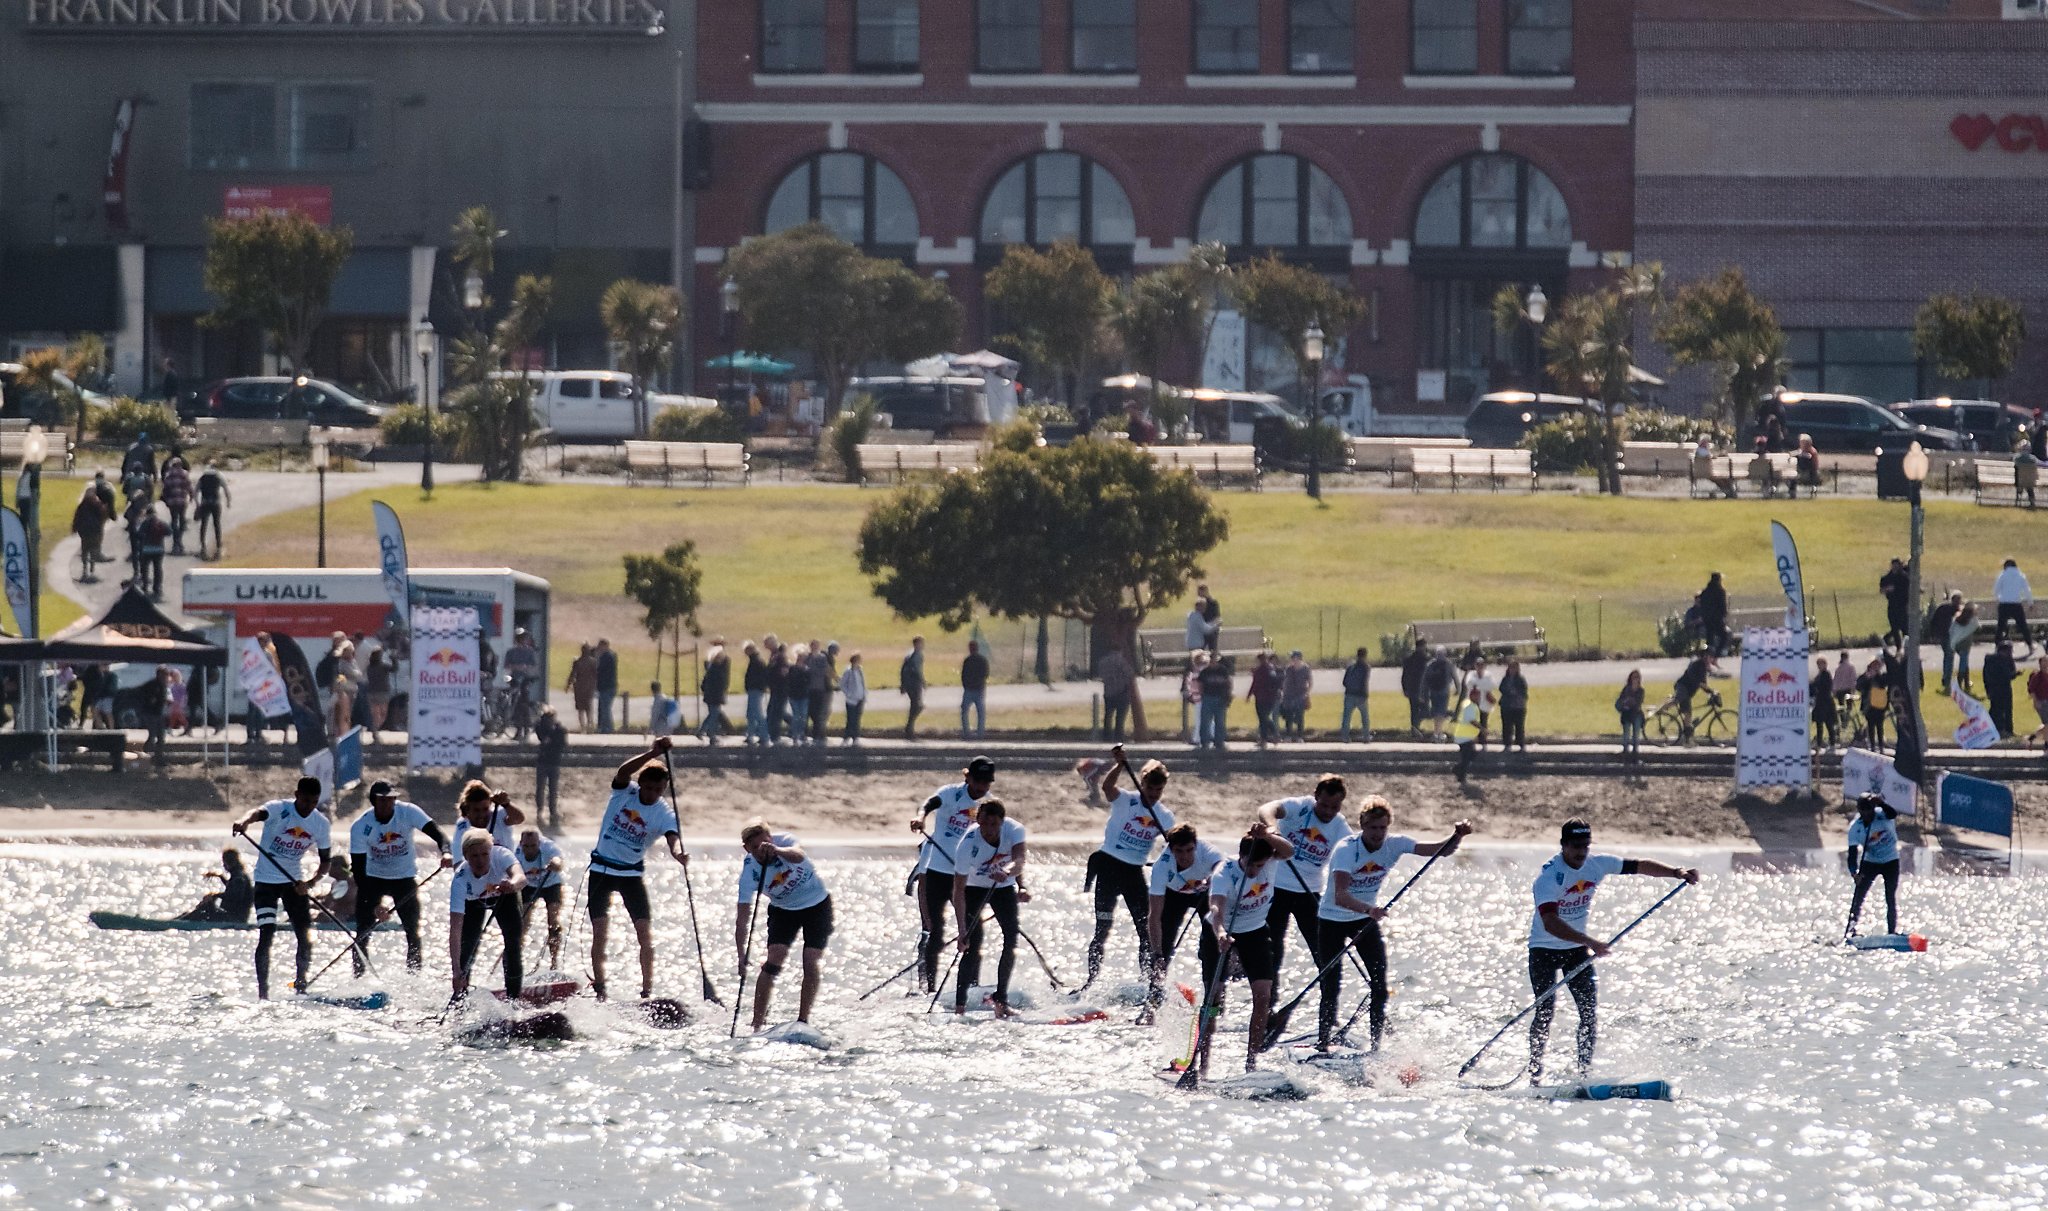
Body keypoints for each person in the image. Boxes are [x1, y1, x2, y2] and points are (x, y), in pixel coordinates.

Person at [1526, 819, 1699, 1085]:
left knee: (1588, 1013)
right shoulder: (1549, 878)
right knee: (1545, 1012)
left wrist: (1677, 872)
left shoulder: (1598, 864)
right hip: (1543, 950)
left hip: (1576, 951)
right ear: (1563, 845)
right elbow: (1550, 923)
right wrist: (1590, 941)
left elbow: (1639, 866)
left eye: (1585, 846)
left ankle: (1583, 1075)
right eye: (1575, 846)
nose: (1581, 852)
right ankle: (1534, 1076)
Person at [1315, 800, 1470, 1051]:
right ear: (1362, 825)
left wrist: (1458, 836)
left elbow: (1440, 850)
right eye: (1373, 828)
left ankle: (1375, 1046)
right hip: (1332, 919)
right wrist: (1369, 910)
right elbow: (1340, 896)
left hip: (1363, 920)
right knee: (1331, 985)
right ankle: (1323, 1043)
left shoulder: (1395, 844)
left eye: (1382, 828)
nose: (1378, 834)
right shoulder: (1346, 850)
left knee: (1380, 985)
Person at [589, 739, 689, 1002]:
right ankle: (600, 989)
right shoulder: (624, 792)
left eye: (659, 790)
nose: (653, 794)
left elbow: (673, 838)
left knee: (644, 933)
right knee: (600, 933)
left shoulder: (664, 813)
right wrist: (653, 753)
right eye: (649, 788)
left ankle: (646, 993)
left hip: (631, 876)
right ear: (641, 784)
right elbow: (623, 771)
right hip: (601, 870)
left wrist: (678, 854)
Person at [1198, 821, 1294, 1076]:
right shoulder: (1225, 872)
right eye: (1250, 865)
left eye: (1259, 866)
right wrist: (1220, 933)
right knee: (1213, 998)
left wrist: (1267, 835)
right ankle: (1202, 1064)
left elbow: (1289, 851)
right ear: (1241, 856)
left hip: (1255, 932)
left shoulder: (1271, 861)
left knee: (1263, 996)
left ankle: (1251, 1064)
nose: (1254, 871)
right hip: (1220, 933)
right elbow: (1216, 907)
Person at [232, 776, 333, 1000]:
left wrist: (310, 883)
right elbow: (256, 813)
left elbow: (326, 862)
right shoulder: (280, 809)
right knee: (267, 934)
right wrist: (243, 822)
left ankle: (301, 986)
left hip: (293, 884)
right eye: (305, 801)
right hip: (266, 882)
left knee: (305, 935)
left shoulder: (321, 824)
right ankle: (263, 994)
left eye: (314, 802)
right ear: (297, 795)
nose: (309, 807)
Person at [1084, 750, 1177, 991]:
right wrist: (1119, 765)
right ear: (1142, 784)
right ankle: (1090, 982)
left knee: (1146, 931)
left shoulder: (1165, 817)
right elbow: (1107, 788)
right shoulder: (1126, 799)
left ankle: (1146, 981)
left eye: (1158, 790)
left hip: (1133, 873)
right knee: (1102, 928)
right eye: (1150, 789)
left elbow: (1173, 848)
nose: (1153, 795)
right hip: (1108, 866)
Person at [736, 821, 834, 1031]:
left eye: (764, 843)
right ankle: (757, 1024)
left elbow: (798, 856)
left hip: (817, 905)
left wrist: (776, 850)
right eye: (755, 848)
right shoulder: (749, 872)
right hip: (783, 911)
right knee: (774, 958)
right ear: (747, 849)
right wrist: (741, 955)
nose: (761, 850)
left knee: (810, 960)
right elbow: (742, 918)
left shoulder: (785, 842)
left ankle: (802, 1020)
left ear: (771, 838)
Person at [910, 756, 996, 993]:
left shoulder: (989, 805)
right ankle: (927, 987)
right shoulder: (950, 794)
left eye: (986, 782)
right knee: (934, 931)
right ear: (967, 777)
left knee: (974, 933)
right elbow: (929, 804)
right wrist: (920, 818)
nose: (981, 787)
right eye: (978, 781)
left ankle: (971, 988)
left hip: (966, 877)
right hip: (938, 872)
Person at [349, 780, 452, 975]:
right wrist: (374, 906)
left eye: (391, 799)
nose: (388, 804)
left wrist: (446, 852)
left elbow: (438, 833)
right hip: (372, 880)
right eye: (383, 800)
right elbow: (358, 870)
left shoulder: (408, 812)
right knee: (362, 932)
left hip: (404, 878)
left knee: (413, 931)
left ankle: (413, 975)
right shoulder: (361, 826)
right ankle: (359, 977)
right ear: (374, 801)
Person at [1257, 774, 1352, 978]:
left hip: (1309, 892)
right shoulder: (1300, 806)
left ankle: (1329, 996)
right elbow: (1266, 809)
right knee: (1274, 949)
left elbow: (1354, 859)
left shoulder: (1341, 828)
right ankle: (1269, 996)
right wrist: (1272, 829)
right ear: (1316, 796)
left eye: (1334, 807)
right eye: (1324, 805)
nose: (1328, 812)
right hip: (1277, 887)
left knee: (1324, 951)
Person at [950, 798, 1029, 1018]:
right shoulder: (966, 845)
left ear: (1002, 822)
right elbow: (958, 890)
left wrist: (1008, 873)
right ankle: (959, 1008)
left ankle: (1001, 1000)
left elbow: (1020, 859)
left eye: (994, 824)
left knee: (1011, 938)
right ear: (978, 821)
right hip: (974, 888)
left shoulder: (1014, 830)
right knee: (971, 944)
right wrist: (961, 930)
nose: (989, 829)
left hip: (1002, 886)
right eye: (984, 824)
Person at [1143, 823, 1223, 1021]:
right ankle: (1151, 1007)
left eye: (1189, 850)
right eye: (1179, 851)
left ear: (1195, 845)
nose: (1185, 857)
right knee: (1162, 951)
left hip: (1205, 895)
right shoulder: (1161, 867)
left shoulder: (1207, 852)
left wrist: (1216, 877)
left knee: (1211, 949)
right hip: (1175, 895)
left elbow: (1223, 867)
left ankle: (1213, 1009)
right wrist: (1157, 954)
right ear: (1171, 849)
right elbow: (1154, 916)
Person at [448, 830, 527, 1000]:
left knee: (513, 942)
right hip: (474, 901)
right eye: (474, 856)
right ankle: (460, 997)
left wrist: (512, 884)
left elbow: (521, 877)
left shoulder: (501, 855)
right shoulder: (460, 880)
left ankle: (513, 998)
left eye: (484, 854)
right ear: (466, 857)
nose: (480, 860)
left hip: (505, 894)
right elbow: (455, 930)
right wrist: (456, 971)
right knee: (467, 947)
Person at [1844, 794, 1902, 940]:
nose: (1866, 813)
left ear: (1873, 808)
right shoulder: (1855, 828)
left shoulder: (1883, 814)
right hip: (1870, 862)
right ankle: (1850, 931)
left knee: (1890, 897)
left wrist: (1881, 803)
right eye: (1863, 810)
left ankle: (1892, 932)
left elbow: (1893, 814)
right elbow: (1852, 855)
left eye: (1869, 809)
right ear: (1859, 810)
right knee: (1858, 897)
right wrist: (1854, 873)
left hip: (1890, 861)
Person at [519, 828, 567, 971]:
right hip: (529, 885)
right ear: (521, 844)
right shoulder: (516, 854)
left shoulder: (549, 847)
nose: (529, 850)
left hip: (551, 883)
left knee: (553, 920)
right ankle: (516, 961)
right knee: (523, 923)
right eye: (526, 846)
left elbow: (558, 860)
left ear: (539, 843)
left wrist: (555, 864)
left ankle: (554, 962)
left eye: (533, 846)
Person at [179, 848, 253, 922]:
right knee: (201, 909)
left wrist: (215, 895)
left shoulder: (239, 878)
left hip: (234, 918)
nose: (223, 865)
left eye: (224, 862)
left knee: (204, 908)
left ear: (230, 862)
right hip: (232, 915)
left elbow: (235, 896)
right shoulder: (238, 874)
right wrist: (220, 877)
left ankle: (181, 922)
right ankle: (182, 920)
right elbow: (232, 888)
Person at [533, 704, 567, 827]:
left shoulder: (560, 730)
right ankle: (540, 810)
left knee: (553, 789)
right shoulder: (542, 728)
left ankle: (552, 811)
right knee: (541, 788)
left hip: (553, 761)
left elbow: (562, 744)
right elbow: (540, 733)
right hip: (544, 761)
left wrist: (551, 737)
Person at [1994, 559, 2035, 655]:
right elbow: (2027, 590)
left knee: (2000, 626)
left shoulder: (2002, 575)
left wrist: (1999, 598)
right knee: (2023, 626)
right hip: (2016, 604)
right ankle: (2030, 645)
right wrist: (2030, 603)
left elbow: (1995, 590)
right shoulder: (2020, 575)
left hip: (2004, 604)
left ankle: (1997, 646)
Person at [71, 484, 109, 578]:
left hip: (84, 531)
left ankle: (85, 571)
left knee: (85, 550)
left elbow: (77, 517)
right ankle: (91, 571)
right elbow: (103, 516)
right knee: (92, 551)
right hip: (94, 531)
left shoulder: (82, 505)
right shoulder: (97, 504)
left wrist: (74, 528)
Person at [1098, 645, 1135, 743]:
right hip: (1121, 692)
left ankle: (1107, 737)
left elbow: (1101, 675)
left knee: (1108, 716)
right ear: (1120, 650)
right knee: (1120, 718)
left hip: (1108, 691)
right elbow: (1129, 673)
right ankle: (1119, 736)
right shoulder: (1121, 661)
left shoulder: (1103, 662)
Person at [193, 459, 229, 559]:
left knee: (203, 524)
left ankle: (203, 547)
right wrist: (228, 501)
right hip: (216, 503)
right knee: (216, 524)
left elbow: (196, 491)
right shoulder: (219, 476)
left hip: (204, 502)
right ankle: (218, 548)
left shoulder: (203, 476)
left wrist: (197, 503)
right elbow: (226, 489)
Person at [698, 638, 732, 743]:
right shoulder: (718, 668)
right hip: (715, 694)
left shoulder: (711, 666)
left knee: (713, 713)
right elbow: (722, 681)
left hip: (711, 693)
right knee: (714, 714)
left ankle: (702, 731)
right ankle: (711, 735)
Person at [1195, 652, 1232, 749]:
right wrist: (1202, 695)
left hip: (1220, 698)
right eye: (1212, 660)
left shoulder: (1223, 671)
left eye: (1215, 660)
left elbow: (1229, 683)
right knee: (1205, 721)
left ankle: (1219, 742)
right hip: (1208, 697)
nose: (1213, 662)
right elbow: (1200, 684)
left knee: (1220, 721)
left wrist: (1228, 695)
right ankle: (1205, 742)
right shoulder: (1205, 672)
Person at [159, 451, 192, 556]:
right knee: (182, 520)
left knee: (174, 521)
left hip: (172, 502)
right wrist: (191, 496)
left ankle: (175, 542)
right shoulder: (185, 474)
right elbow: (189, 487)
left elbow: (165, 489)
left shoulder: (168, 475)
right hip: (182, 501)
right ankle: (179, 542)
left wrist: (165, 499)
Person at [1984, 641, 2020, 737]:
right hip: (1996, 688)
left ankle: (2009, 730)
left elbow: (2011, 673)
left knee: (2008, 709)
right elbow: (1991, 676)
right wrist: (1988, 690)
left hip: (2005, 688)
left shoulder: (2008, 660)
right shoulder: (1992, 661)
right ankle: (1997, 729)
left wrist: (2014, 673)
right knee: (1997, 710)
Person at [1856, 654, 1891, 752]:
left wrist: (1877, 675)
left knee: (1880, 726)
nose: (1876, 667)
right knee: (1871, 726)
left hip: (1879, 705)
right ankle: (1872, 746)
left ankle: (1881, 746)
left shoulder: (1881, 676)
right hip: (1869, 706)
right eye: (1874, 665)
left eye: (1877, 665)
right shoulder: (1864, 676)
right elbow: (1858, 686)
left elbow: (1886, 682)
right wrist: (1868, 678)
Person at [1931, 591, 1963, 694]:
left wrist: (1934, 634)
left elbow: (1933, 621)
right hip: (1949, 635)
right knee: (1950, 657)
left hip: (1942, 634)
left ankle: (1946, 678)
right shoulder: (1955, 610)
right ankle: (1948, 680)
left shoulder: (1943, 607)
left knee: (1947, 656)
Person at [1247, 651, 1281, 747]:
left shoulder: (1267, 670)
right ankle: (1264, 739)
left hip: (1267, 697)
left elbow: (1274, 683)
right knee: (1262, 719)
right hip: (1260, 697)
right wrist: (1250, 694)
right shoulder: (1261, 670)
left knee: (1264, 717)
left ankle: (1274, 734)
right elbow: (1255, 684)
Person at [806, 640, 837, 744]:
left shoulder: (822, 657)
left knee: (821, 713)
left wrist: (837, 680)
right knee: (818, 712)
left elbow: (828, 671)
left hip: (822, 688)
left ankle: (819, 734)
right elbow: (828, 671)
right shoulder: (813, 657)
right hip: (817, 689)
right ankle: (819, 734)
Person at [1423, 645, 1455, 741]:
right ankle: (1439, 732)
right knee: (1441, 712)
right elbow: (1454, 677)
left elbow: (1425, 680)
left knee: (1436, 711)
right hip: (1444, 690)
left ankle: (1436, 732)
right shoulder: (1448, 664)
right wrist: (1458, 688)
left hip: (1433, 691)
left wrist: (1424, 692)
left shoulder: (1430, 664)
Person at [1279, 649, 1313, 741]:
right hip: (1289, 695)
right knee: (1288, 716)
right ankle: (1288, 736)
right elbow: (1284, 681)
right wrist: (1283, 693)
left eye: (1293, 657)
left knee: (1300, 716)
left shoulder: (1305, 668)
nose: (1291, 659)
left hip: (1301, 695)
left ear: (1298, 658)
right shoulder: (1288, 668)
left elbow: (1310, 682)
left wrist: (1307, 693)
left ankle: (1299, 736)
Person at [742, 639, 769, 746]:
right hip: (754, 689)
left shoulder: (757, 661)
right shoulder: (755, 660)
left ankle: (764, 736)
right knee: (750, 714)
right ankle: (750, 734)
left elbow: (760, 676)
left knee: (757, 713)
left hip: (756, 690)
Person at [1498, 658, 1529, 752]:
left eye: (1515, 668)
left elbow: (1524, 691)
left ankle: (1521, 744)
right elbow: (1501, 688)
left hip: (1518, 707)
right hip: (1506, 706)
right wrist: (1508, 691)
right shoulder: (1505, 679)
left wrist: (1516, 692)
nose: (1512, 670)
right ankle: (1507, 744)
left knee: (1519, 726)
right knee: (1507, 726)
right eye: (1511, 667)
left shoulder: (1521, 679)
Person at [1340, 648, 1371, 743]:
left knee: (1346, 717)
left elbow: (1344, 682)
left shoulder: (1350, 667)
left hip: (1349, 694)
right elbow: (1364, 681)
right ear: (1365, 655)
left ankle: (1345, 737)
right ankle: (1366, 737)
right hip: (1361, 696)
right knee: (1365, 717)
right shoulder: (1366, 667)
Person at [1879, 558, 1911, 648]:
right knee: (1894, 627)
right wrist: (1887, 589)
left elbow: (1908, 589)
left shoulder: (1904, 577)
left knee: (1904, 627)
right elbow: (1881, 590)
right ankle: (1898, 647)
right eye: (1894, 565)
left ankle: (1906, 647)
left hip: (1903, 605)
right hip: (1892, 605)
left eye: (1897, 565)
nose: (1895, 567)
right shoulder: (1887, 578)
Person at [1696, 572, 1730, 657]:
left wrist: (1704, 616)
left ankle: (1707, 656)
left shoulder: (1705, 592)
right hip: (1717, 619)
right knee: (1725, 636)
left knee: (1710, 639)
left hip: (1707, 619)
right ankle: (1716, 655)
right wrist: (1724, 615)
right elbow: (1723, 607)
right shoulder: (1720, 591)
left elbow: (1701, 605)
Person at [1465, 657, 1499, 744]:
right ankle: (1472, 739)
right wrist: (1482, 685)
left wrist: (1478, 685)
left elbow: (1492, 685)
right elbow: (1469, 683)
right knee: (1473, 721)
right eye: (1478, 665)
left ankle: (1483, 740)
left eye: (1481, 665)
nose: (1479, 667)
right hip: (1474, 702)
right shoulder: (1471, 674)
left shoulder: (1488, 675)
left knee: (1484, 721)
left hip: (1485, 703)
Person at [785, 642, 813, 744]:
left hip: (804, 695)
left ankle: (801, 734)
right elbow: (789, 681)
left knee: (803, 716)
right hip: (794, 695)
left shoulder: (806, 669)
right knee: (796, 716)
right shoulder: (792, 668)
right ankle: (795, 734)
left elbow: (808, 682)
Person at [960, 640, 989, 737]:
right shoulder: (983, 660)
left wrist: (965, 685)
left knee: (964, 711)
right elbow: (986, 673)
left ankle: (966, 732)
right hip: (979, 688)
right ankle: (980, 732)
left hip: (969, 689)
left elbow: (963, 674)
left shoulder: (967, 660)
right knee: (981, 712)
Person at [1399, 637, 1428, 735]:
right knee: (1424, 709)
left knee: (1414, 709)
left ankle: (1415, 727)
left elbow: (1404, 675)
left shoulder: (1408, 659)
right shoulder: (1424, 659)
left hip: (1411, 688)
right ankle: (1416, 726)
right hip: (1420, 688)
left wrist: (1404, 688)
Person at [1950, 601, 1980, 696]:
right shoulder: (1972, 620)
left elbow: (1951, 630)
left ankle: (1967, 683)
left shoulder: (1957, 619)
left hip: (1956, 644)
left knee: (1965, 662)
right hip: (1965, 644)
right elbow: (1978, 627)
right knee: (1963, 663)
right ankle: (1959, 683)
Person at [1615, 670, 1646, 758]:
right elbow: (1622, 699)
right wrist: (1626, 703)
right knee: (1626, 733)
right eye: (1634, 677)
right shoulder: (1626, 689)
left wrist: (1629, 702)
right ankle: (1625, 750)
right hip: (1627, 714)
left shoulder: (1641, 690)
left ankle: (1635, 751)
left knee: (1636, 734)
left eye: (1637, 677)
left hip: (1636, 714)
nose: (1636, 679)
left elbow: (1638, 702)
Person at [1810, 656, 1840, 750]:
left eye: (1821, 664)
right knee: (1819, 724)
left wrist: (1816, 687)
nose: (1819, 666)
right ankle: (1819, 743)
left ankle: (1832, 743)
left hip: (1826, 702)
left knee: (1829, 724)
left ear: (1825, 664)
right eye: (1818, 664)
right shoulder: (1819, 676)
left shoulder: (1826, 674)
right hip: (1819, 702)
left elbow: (1825, 687)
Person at [567, 642, 597, 732]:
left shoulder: (577, 662)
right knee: (588, 707)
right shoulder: (593, 662)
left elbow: (573, 674)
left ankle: (582, 726)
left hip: (579, 687)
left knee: (580, 708)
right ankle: (589, 724)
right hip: (589, 687)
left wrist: (568, 685)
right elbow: (596, 675)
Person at [901, 635, 926, 739]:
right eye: (921, 643)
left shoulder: (910, 654)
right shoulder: (916, 655)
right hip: (914, 683)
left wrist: (903, 684)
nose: (923, 645)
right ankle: (909, 728)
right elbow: (917, 670)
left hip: (910, 683)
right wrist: (923, 681)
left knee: (916, 706)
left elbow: (903, 670)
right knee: (917, 706)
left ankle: (909, 728)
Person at [766, 638, 791, 743]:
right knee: (774, 711)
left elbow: (784, 672)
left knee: (776, 712)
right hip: (775, 689)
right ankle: (771, 733)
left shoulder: (780, 657)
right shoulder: (774, 656)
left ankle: (775, 736)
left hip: (781, 689)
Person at [839, 651, 866, 744]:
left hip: (860, 698)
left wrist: (864, 695)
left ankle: (855, 737)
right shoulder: (848, 671)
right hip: (851, 699)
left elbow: (862, 683)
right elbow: (842, 684)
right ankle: (847, 737)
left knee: (857, 719)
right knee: (850, 719)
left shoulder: (860, 670)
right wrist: (848, 694)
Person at [320, 855, 357, 923]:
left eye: (331, 866)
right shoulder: (338, 882)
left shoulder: (345, 883)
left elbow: (328, 903)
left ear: (339, 867)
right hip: (346, 918)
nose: (328, 870)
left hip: (349, 920)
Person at [595, 637, 619, 734]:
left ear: (605, 646)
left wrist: (597, 658)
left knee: (605, 708)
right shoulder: (612, 655)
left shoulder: (607, 657)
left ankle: (608, 728)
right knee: (604, 708)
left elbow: (599, 669)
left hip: (607, 686)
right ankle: (604, 727)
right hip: (609, 686)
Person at [2027, 654, 2048, 750]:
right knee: (2047, 723)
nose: (2046, 664)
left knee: (2046, 725)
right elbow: (2031, 690)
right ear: (2040, 664)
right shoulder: (2037, 676)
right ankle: (2046, 744)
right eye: (2044, 661)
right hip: (2042, 703)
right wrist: (2036, 702)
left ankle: (2033, 736)